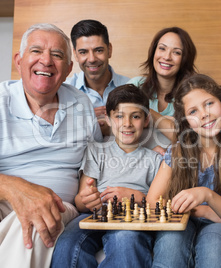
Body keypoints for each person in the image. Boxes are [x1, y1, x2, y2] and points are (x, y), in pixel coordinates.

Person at [0, 23, 102, 268]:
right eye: (36, 51)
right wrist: (15, 188)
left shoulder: (82, 104)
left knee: (37, 216)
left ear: (69, 68)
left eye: (57, 55)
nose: (46, 61)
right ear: (19, 60)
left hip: (56, 203)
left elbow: (95, 164)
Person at [146, 73, 221, 267]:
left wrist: (206, 195)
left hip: (219, 224)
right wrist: (202, 210)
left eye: (209, 104)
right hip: (184, 220)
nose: (204, 114)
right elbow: (152, 201)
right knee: (170, 244)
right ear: (186, 122)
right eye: (193, 112)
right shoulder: (176, 152)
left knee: (213, 248)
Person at [51, 84, 162, 267]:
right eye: (119, 116)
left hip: (133, 218)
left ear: (146, 120)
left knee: (125, 240)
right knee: (67, 244)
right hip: (96, 215)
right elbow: (81, 200)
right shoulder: (96, 151)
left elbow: (159, 203)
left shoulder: (154, 160)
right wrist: (86, 200)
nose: (127, 124)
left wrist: (135, 197)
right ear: (108, 120)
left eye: (135, 116)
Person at [127, 27, 197, 149]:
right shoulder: (135, 85)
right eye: (162, 48)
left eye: (176, 52)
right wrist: (169, 122)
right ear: (153, 52)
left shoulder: (192, 93)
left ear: (185, 59)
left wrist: (147, 112)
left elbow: (188, 138)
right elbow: (120, 129)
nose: (167, 57)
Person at [67, 19, 129, 135]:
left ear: (109, 50)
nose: (92, 59)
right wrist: (85, 119)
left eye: (98, 50)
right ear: (75, 54)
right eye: (83, 52)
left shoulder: (132, 87)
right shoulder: (63, 91)